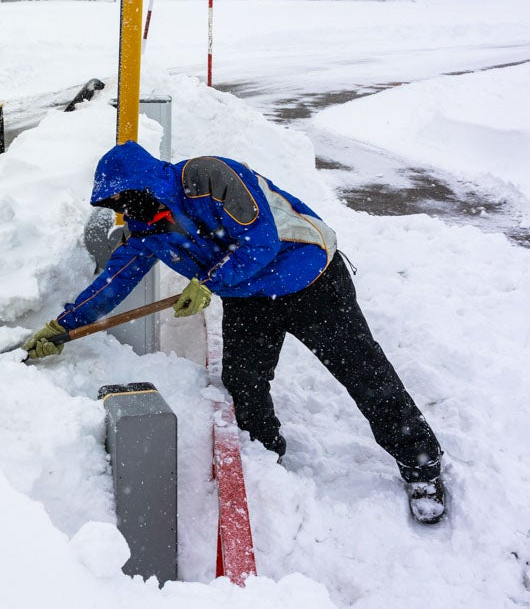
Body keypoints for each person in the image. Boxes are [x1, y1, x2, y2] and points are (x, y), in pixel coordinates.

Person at [22, 140, 447, 523]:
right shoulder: (146, 230)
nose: (128, 210)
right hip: (248, 297)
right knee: (244, 383)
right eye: (118, 204)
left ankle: (421, 464)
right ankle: (266, 461)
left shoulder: (209, 176)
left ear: (147, 181)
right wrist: (64, 325)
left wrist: (206, 284)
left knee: (362, 372)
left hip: (310, 278)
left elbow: (258, 240)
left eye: (128, 198)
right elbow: (114, 282)